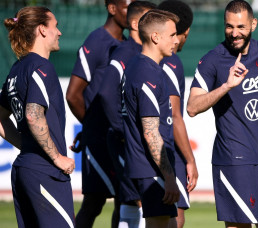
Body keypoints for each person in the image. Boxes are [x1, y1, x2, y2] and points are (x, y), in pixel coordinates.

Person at [186, 1, 258, 227]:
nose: (234, 33)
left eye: (240, 27)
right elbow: (192, 107)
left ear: (253, 24)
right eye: (229, 27)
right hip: (233, 162)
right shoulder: (212, 59)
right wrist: (226, 85)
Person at [0, 6, 75, 228]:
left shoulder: (17, 69)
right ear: (42, 30)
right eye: (55, 26)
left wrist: (27, 146)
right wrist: (57, 158)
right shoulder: (41, 67)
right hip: (44, 171)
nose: (59, 32)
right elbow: (33, 114)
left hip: (24, 170)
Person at [66, 0, 132, 227]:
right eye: (127, 7)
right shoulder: (97, 40)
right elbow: (73, 95)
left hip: (118, 139)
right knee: (93, 203)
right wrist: (92, 126)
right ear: (112, 8)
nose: (132, 12)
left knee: (125, 202)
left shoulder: (126, 44)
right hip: (100, 140)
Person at [98, 1, 157, 227]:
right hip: (125, 141)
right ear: (135, 24)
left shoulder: (141, 52)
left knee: (132, 200)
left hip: (134, 141)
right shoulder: (126, 51)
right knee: (140, 198)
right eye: (149, 18)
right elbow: (105, 92)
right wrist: (122, 128)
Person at [122, 9, 180, 228]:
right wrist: (169, 175)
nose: (176, 40)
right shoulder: (147, 72)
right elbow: (150, 131)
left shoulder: (138, 65)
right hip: (151, 169)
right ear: (156, 37)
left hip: (150, 168)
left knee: (171, 224)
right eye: (172, 34)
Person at [158, 1, 198, 227]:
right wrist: (190, 160)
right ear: (186, 32)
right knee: (175, 216)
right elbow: (175, 117)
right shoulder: (171, 61)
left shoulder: (139, 58)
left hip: (141, 147)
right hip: (166, 150)